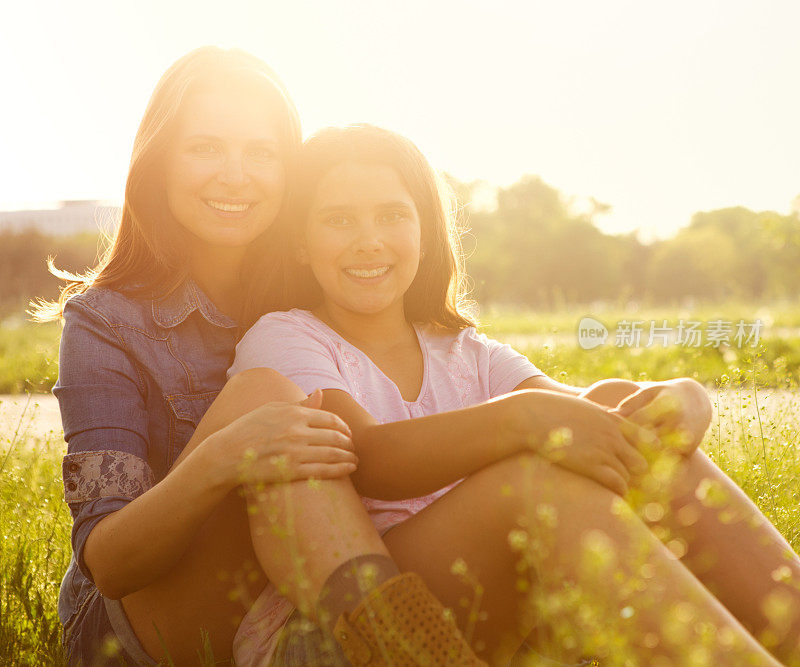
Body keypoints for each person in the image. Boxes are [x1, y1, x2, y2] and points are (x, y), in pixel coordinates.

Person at [223, 123, 800, 665]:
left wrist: (681, 398)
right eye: (339, 220)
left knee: (649, 443)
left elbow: (587, 416)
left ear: (424, 233)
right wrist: (521, 420)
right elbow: (371, 458)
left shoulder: (466, 352)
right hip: (356, 631)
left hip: (482, 612)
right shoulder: (285, 338)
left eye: (392, 215)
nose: (369, 241)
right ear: (300, 243)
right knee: (533, 485)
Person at [37, 47, 483, 666]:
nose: (235, 175)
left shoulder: (325, 288)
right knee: (263, 396)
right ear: (160, 161)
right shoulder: (108, 321)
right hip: (141, 625)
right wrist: (225, 457)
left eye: (261, 153)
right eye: (205, 149)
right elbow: (110, 562)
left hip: (310, 594)